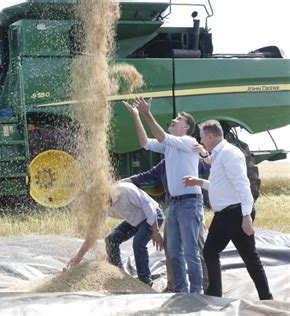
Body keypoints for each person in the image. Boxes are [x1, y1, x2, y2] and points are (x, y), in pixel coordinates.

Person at [183, 120, 273, 300]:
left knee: (250, 258)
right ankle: (215, 293)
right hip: (223, 215)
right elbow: (220, 186)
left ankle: (266, 297)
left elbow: (242, 185)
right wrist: (199, 182)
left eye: (202, 138)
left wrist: (246, 216)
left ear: (210, 136)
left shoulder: (229, 153)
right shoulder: (217, 154)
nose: (201, 141)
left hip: (237, 213)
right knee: (210, 251)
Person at [123, 97, 203, 294]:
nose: (174, 120)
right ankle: (180, 291)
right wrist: (136, 116)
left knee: (191, 251)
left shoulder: (188, 142)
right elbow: (145, 142)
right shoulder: (170, 146)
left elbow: (161, 137)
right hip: (173, 205)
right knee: (173, 252)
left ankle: (197, 292)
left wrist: (147, 113)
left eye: (179, 119)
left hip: (189, 203)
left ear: (186, 127)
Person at [123, 155, 210, 292]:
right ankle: (175, 286)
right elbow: (147, 176)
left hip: (191, 207)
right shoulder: (165, 163)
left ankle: (206, 285)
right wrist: (123, 182)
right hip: (172, 207)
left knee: (196, 247)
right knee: (171, 249)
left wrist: (205, 154)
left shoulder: (190, 160)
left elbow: (206, 166)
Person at [67, 182, 164, 286]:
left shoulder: (123, 190)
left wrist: (156, 231)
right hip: (134, 222)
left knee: (138, 243)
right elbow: (93, 234)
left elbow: (147, 205)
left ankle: (145, 282)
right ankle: (119, 274)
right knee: (111, 239)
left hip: (153, 217)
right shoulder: (102, 206)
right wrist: (79, 256)